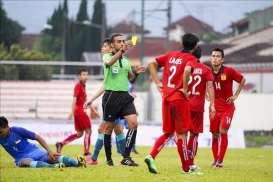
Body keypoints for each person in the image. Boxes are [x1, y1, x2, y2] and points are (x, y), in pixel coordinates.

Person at [144, 33, 199, 174]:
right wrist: (185, 89)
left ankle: (151, 156)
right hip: (179, 100)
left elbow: (151, 63)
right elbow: (187, 70)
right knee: (181, 135)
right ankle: (186, 168)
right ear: (195, 47)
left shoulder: (171, 55)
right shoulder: (191, 58)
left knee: (169, 133)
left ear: (182, 43)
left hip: (166, 99)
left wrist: (157, 82)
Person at [90, 33, 144, 166]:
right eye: (119, 42)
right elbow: (109, 63)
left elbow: (130, 78)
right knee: (107, 129)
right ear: (112, 44)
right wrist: (121, 51)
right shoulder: (107, 57)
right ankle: (108, 159)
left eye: (123, 41)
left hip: (125, 96)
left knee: (133, 123)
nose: (121, 43)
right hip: (111, 96)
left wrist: (136, 73)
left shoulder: (126, 61)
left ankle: (126, 156)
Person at [86, 38, 127, 165]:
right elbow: (105, 85)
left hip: (113, 100)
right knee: (117, 129)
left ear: (110, 48)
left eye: (104, 46)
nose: (102, 49)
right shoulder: (114, 62)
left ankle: (94, 158)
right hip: (116, 99)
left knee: (103, 129)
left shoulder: (109, 60)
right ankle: (125, 157)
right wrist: (92, 99)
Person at [0, 116, 86, 168]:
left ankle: (78, 163)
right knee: (25, 162)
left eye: (1, 132)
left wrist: (49, 151)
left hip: (35, 152)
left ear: (7, 126)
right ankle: (54, 167)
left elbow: (37, 137)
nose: (0, 134)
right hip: (22, 158)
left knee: (53, 157)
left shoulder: (17, 130)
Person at [209, 48, 245, 167]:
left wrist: (235, 95)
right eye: (213, 56)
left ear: (222, 59)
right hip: (214, 108)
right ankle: (215, 160)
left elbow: (242, 79)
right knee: (214, 134)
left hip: (227, 108)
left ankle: (220, 160)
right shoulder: (207, 72)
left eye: (218, 56)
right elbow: (203, 84)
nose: (215, 58)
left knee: (223, 130)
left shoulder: (229, 71)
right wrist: (206, 96)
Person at [187, 46, 215, 171]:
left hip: (184, 104)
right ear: (200, 55)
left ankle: (184, 159)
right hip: (197, 107)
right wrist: (212, 104)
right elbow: (210, 87)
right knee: (194, 134)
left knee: (181, 133)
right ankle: (190, 162)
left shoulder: (185, 68)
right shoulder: (206, 69)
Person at [56, 68, 93, 164]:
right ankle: (86, 152)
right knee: (88, 130)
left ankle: (61, 143)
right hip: (80, 111)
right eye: (83, 74)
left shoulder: (83, 86)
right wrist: (71, 112)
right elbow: (74, 99)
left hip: (79, 111)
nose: (86, 76)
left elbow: (84, 100)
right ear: (79, 76)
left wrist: (92, 110)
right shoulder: (78, 86)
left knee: (80, 134)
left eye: (86, 74)